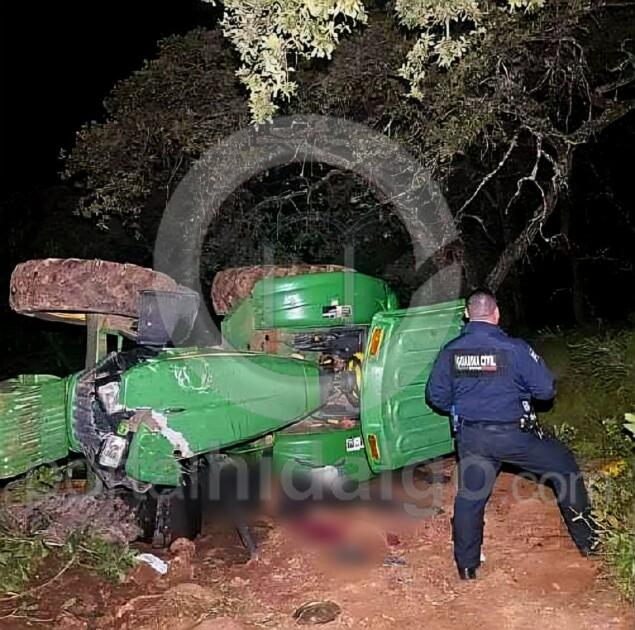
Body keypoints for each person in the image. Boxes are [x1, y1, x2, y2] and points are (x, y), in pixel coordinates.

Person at [425, 289, 597, 580]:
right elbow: (546, 391)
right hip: (515, 436)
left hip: (473, 438)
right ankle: (589, 543)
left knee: (470, 497)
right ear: (496, 314)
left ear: (467, 314)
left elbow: (436, 396)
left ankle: (467, 567)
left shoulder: (450, 352)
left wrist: (465, 403)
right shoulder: (515, 348)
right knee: (565, 468)